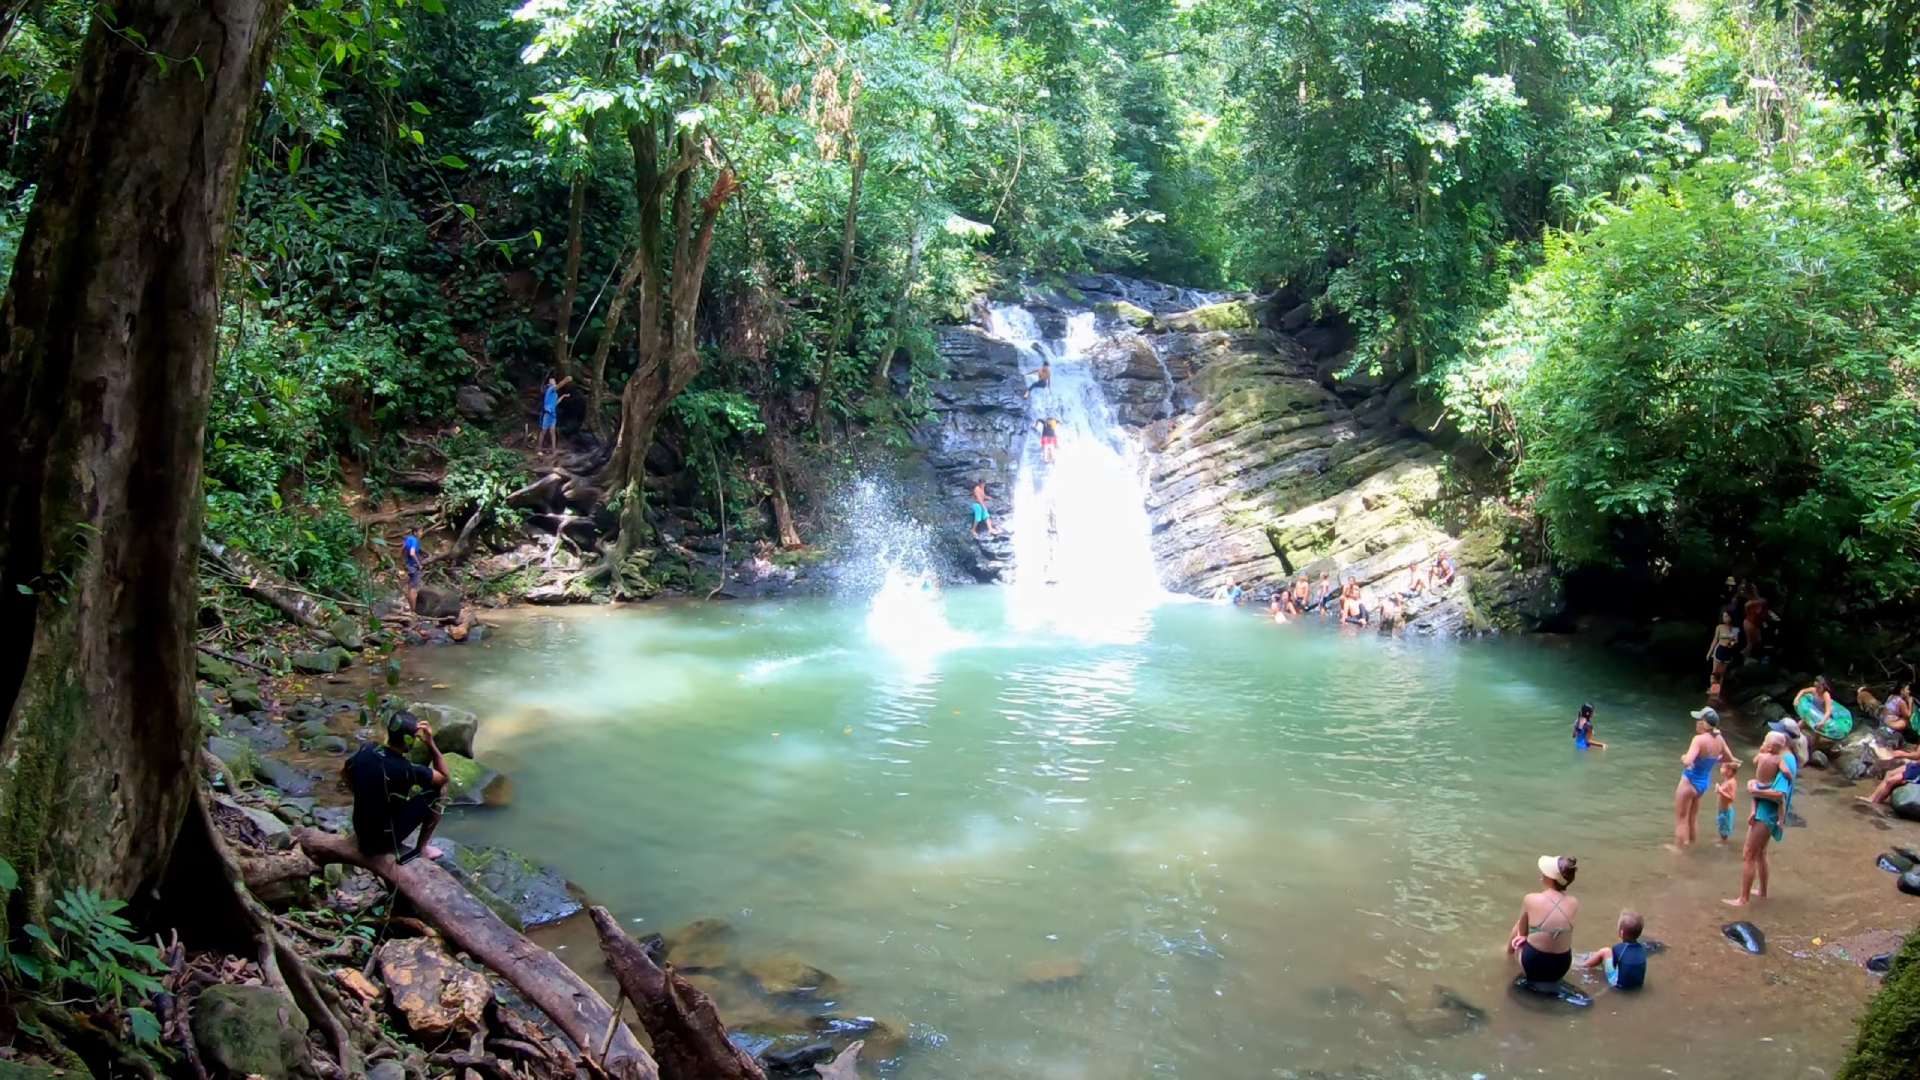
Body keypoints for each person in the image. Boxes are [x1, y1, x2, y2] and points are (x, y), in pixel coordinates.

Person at [343, 711, 449, 864]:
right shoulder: (406, 769)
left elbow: (345, 770)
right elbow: (444, 778)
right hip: (383, 841)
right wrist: (430, 742)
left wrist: (359, 792)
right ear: (410, 740)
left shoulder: (368, 749)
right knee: (438, 792)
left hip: (361, 832)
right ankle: (422, 848)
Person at [1726, 732, 1793, 907]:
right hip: (1765, 808)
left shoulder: (1785, 760)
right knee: (1761, 852)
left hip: (1766, 813)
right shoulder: (1780, 759)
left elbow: (1780, 794)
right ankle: (1762, 891)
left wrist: (1755, 791)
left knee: (1748, 854)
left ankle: (1743, 899)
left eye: (1765, 741)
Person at [1507, 855, 1580, 984]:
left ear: (1551, 879)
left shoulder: (1530, 898)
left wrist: (1524, 937)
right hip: (1561, 966)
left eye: (1544, 873)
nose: (1542, 874)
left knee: (1519, 924)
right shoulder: (1574, 903)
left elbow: (1522, 932)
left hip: (1533, 964)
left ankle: (1507, 955)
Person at [1674, 707, 1739, 848]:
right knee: (1692, 817)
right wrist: (1713, 760)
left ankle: (1679, 850)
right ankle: (1691, 844)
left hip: (1689, 782)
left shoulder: (1698, 739)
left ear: (1704, 724)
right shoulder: (1719, 739)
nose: (1697, 723)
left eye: (1699, 720)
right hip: (1703, 784)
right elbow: (1729, 758)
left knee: (1681, 819)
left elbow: (1687, 762)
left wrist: (1683, 757)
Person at [1577, 911, 1648, 991]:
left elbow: (1613, 966)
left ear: (1621, 933)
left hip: (1618, 984)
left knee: (1605, 951)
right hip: (1638, 984)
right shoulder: (1642, 949)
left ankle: (1582, 966)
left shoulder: (1618, 948)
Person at [1706, 610, 1741, 693]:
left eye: (1726, 616)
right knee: (1715, 673)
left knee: (1721, 674)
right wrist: (1709, 653)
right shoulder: (1720, 627)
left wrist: (1731, 644)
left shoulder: (1735, 629)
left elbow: (1736, 640)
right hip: (1719, 649)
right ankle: (1713, 689)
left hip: (1728, 651)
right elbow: (1715, 640)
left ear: (1731, 617)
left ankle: (1717, 691)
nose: (1724, 618)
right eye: (1723, 616)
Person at [537, 375, 573, 453]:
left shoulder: (554, 394)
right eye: (552, 381)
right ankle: (539, 449)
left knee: (552, 432)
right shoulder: (550, 389)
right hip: (548, 414)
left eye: (554, 381)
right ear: (549, 384)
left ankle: (554, 450)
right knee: (543, 432)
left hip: (553, 415)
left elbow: (555, 403)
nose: (554, 382)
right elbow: (559, 385)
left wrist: (563, 396)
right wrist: (566, 380)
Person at [1742, 584, 1769, 659]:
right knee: (1752, 644)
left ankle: (1749, 657)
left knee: (1756, 642)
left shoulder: (1760, 601)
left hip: (1751, 623)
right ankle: (1746, 657)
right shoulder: (1749, 604)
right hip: (1750, 624)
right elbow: (1758, 612)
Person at [1715, 760, 1739, 844]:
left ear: (1729, 771)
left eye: (1723, 767)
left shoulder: (1731, 782)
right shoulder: (1727, 780)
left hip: (1726, 811)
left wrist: (1720, 791)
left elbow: (1732, 798)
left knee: (1724, 830)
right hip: (1722, 810)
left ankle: (1724, 843)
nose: (1720, 768)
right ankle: (1722, 840)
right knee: (1721, 827)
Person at [402, 531, 423, 613]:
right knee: (413, 589)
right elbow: (412, 552)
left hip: (408, 566)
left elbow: (403, 549)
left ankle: (411, 608)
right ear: (415, 532)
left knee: (410, 587)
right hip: (414, 566)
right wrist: (419, 564)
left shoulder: (407, 539)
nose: (421, 533)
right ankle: (413, 611)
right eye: (420, 531)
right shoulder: (414, 540)